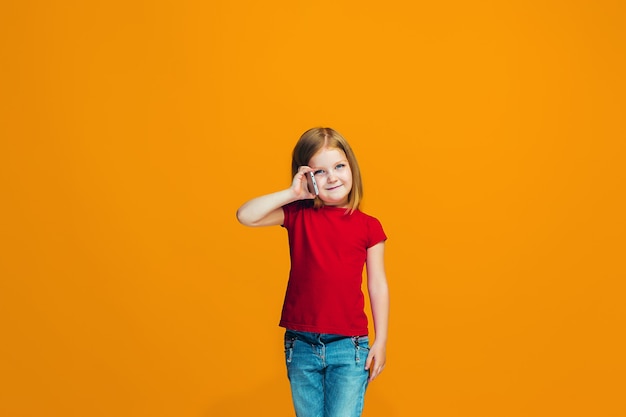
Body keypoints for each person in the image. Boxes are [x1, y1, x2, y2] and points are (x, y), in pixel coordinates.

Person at [236, 127, 389, 417]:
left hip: (350, 347)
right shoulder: (297, 213)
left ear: (351, 167)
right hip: (301, 344)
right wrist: (293, 193)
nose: (332, 177)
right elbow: (246, 215)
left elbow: (378, 286)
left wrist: (381, 341)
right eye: (319, 171)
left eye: (339, 166)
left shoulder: (369, 226)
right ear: (305, 176)